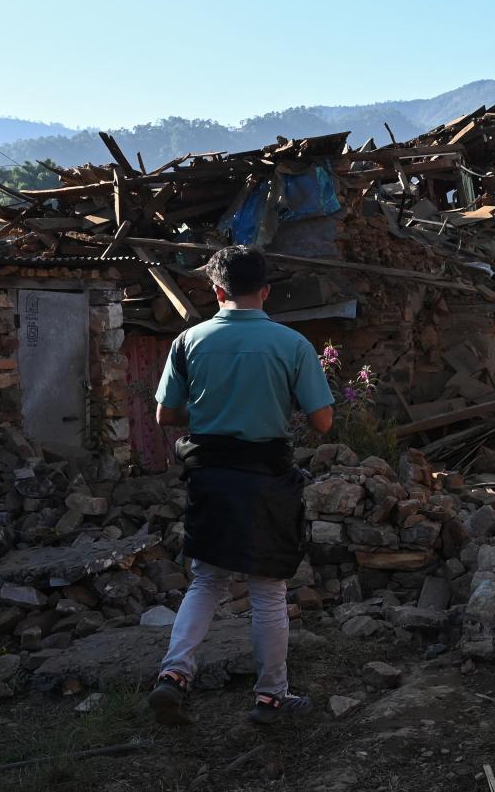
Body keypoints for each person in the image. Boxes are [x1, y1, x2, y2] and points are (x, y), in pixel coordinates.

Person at [147, 245, 335, 726]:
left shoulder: (188, 341)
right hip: (266, 476)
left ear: (216, 291)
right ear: (266, 290)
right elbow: (323, 422)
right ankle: (271, 697)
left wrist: (212, 412)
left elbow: (166, 416)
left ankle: (173, 676)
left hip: (209, 475)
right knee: (268, 590)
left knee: (207, 579)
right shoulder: (291, 344)